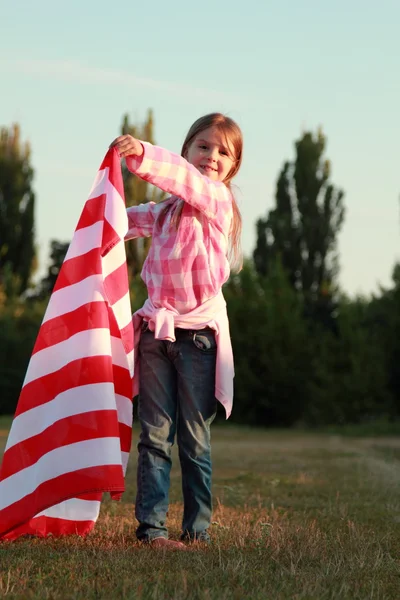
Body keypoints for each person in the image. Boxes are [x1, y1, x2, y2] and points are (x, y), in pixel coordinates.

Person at [110, 113, 243, 550]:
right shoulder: (163, 212)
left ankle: (197, 531)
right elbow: (116, 222)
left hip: (198, 338)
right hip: (155, 332)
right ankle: (151, 530)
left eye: (223, 152)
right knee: (153, 435)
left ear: (232, 166)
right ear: (187, 150)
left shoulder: (217, 200)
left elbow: (188, 183)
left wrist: (143, 155)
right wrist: (97, 212)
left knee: (194, 439)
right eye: (203, 146)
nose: (212, 157)